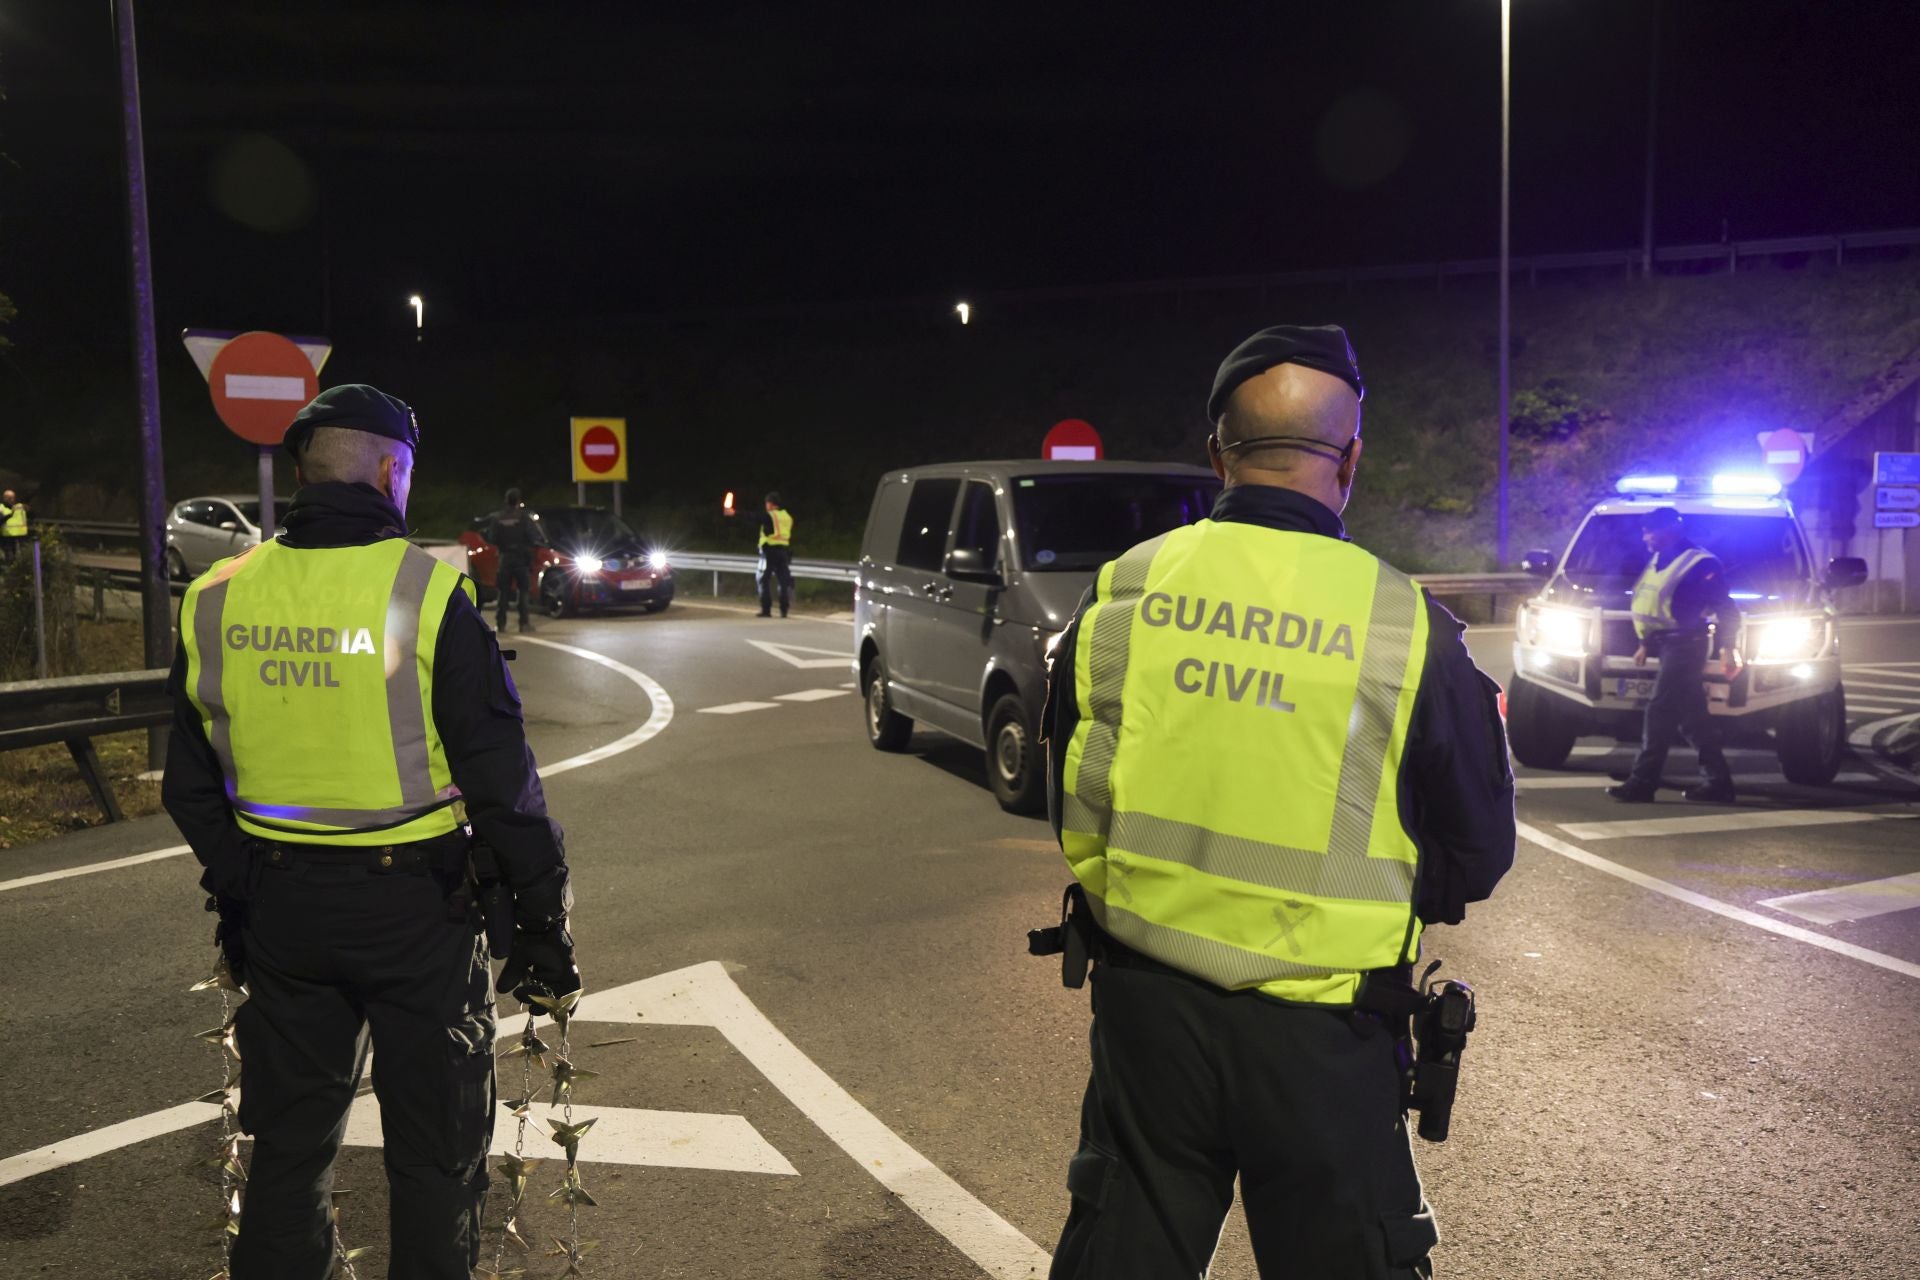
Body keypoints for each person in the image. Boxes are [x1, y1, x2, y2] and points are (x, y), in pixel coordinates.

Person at [1037, 326, 1515, 1280]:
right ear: (1351, 460)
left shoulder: (1126, 588)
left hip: (1146, 1017)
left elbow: (1070, 801)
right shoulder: (1404, 625)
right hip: (1325, 1038)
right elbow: (1475, 853)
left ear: (1218, 454)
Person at [161, 385, 582, 1280]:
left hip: (280, 909)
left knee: (288, 1149)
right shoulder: (426, 593)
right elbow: (502, 784)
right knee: (436, 1155)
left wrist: (246, 882)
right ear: (392, 471)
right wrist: (543, 922)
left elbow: (188, 786)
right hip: (416, 911)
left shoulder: (214, 596)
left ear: (305, 471)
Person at [1605, 506, 1742, 804]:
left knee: (1659, 711)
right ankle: (1718, 783)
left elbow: (1727, 609)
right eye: (1644, 531)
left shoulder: (1701, 563)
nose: (1645, 537)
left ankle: (1642, 783)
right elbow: (1652, 606)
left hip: (1687, 646)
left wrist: (1729, 647)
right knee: (1693, 720)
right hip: (1668, 646)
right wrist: (1645, 644)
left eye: (1650, 531)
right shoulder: (1658, 559)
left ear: (1670, 530)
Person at [483, 486, 549, 633]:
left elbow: (491, 538)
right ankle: (524, 624)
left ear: (506, 500)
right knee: (523, 591)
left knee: (503, 592)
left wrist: (503, 544)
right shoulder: (523, 517)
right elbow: (533, 537)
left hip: (505, 558)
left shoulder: (498, 518)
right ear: (518, 501)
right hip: (520, 558)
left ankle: (501, 624)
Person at [754, 490, 795, 618]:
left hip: (769, 552)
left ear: (770, 504)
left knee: (763, 579)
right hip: (783, 551)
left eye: (767, 503)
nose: (766, 506)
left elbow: (753, 517)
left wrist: (735, 513)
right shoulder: (787, 517)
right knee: (783, 580)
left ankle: (766, 610)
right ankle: (784, 610)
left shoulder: (770, 516)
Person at [0, 488, 26, 559]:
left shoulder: (19, 507)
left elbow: (31, 515)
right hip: (6, 538)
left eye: (13, 498)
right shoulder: (1, 508)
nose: (12, 500)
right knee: (9, 556)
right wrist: (9, 515)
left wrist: (28, 509)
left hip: (20, 536)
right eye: (10, 498)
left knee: (19, 556)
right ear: (5, 498)